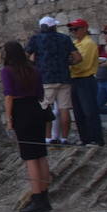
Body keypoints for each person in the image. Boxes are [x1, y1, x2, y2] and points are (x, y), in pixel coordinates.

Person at [2, 41, 51, 212]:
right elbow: (40, 93)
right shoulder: (33, 69)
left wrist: (9, 119)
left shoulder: (7, 71)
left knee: (30, 157)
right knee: (41, 154)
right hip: (35, 109)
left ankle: (37, 197)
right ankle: (44, 196)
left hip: (21, 111)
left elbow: (9, 95)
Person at [26, 16, 79, 144]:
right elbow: (78, 58)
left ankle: (48, 137)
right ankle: (64, 138)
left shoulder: (36, 39)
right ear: (53, 26)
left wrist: (35, 64)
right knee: (64, 109)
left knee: (45, 108)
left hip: (45, 78)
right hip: (64, 78)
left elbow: (26, 56)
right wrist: (67, 63)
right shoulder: (64, 38)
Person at [66, 19, 103, 145]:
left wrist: (70, 63)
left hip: (85, 79)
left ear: (84, 29)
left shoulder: (89, 44)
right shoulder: (76, 43)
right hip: (75, 79)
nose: (73, 32)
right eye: (71, 30)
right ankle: (85, 138)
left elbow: (83, 65)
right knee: (78, 112)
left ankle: (96, 138)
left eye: (75, 29)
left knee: (89, 111)